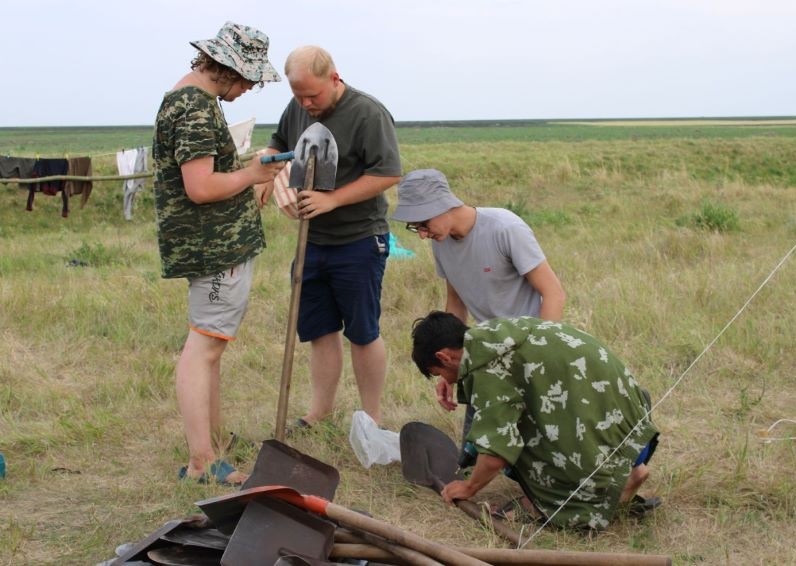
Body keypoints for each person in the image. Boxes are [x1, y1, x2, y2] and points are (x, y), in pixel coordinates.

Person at [152, 22, 287, 485]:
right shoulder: (192, 107)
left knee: (209, 349)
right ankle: (202, 462)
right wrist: (250, 176)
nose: (250, 88)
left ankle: (212, 445)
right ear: (227, 67)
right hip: (214, 250)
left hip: (218, 247)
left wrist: (251, 169)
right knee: (202, 351)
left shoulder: (194, 101)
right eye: (249, 78)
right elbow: (201, 187)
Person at [410, 311, 660, 531]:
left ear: (444, 357)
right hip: (632, 421)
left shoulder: (488, 370)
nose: (446, 380)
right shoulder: (492, 336)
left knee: (518, 446)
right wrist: (453, 376)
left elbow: (497, 451)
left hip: (610, 436)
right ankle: (633, 467)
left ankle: (610, 484)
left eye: (438, 373)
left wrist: (468, 487)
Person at [265, 46, 402, 427]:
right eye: (299, 95)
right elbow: (277, 146)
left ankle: (370, 418)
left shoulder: (368, 113)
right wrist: (276, 178)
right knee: (319, 329)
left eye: (313, 95)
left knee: (362, 331)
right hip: (310, 242)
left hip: (359, 239)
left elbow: (389, 173)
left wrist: (333, 200)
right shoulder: (298, 108)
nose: (306, 103)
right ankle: (319, 412)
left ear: (335, 78)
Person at [391, 169, 566, 461]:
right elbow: (455, 301)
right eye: (415, 228)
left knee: (540, 439)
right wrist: (446, 367)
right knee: (472, 454)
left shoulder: (505, 228)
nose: (422, 235)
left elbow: (554, 293)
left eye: (423, 224)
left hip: (530, 345)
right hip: (486, 347)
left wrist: (540, 353)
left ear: (443, 205)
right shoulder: (441, 241)